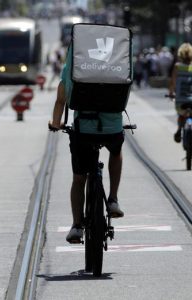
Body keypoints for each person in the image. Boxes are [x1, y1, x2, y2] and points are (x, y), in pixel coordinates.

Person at [49, 44, 125, 243]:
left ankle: (76, 226)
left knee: (79, 179)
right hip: (113, 128)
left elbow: (61, 99)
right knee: (115, 152)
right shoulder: (115, 64)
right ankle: (113, 200)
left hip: (84, 129)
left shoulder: (72, 67)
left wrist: (56, 123)